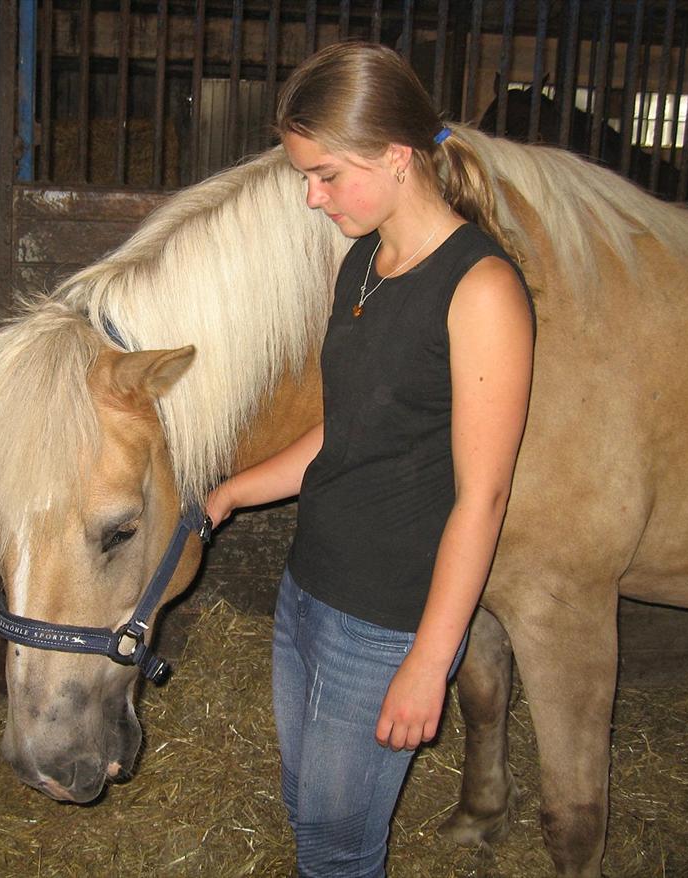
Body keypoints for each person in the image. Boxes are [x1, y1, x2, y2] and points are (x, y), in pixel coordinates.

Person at [204, 42, 535, 877]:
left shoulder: (481, 289)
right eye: (304, 178)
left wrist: (430, 660)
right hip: (307, 591)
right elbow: (346, 429)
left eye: (326, 175)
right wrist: (231, 493)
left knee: (340, 850)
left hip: (386, 623)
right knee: (308, 816)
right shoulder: (365, 259)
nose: (313, 199)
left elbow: (482, 499)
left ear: (396, 156)